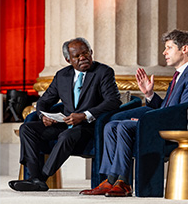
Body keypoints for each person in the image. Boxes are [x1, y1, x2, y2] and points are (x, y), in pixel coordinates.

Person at [84, 29, 188, 197]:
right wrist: (150, 95)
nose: (164, 52)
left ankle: (123, 182)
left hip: (176, 128)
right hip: (163, 121)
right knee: (111, 125)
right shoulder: (179, 74)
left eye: (169, 48)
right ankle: (110, 179)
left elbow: (182, 111)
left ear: (184, 49)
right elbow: (166, 107)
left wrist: (148, 120)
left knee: (123, 126)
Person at [12, 37, 121, 192]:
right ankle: (33, 177)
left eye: (85, 53)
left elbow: (113, 101)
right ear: (68, 59)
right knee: (27, 129)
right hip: (64, 123)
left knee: (65, 136)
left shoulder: (103, 72)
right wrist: (44, 116)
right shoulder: (62, 75)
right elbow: (44, 101)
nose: (83, 57)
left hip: (90, 126)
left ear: (91, 52)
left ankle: (40, 179)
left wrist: (85, 115)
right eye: (77, 56)